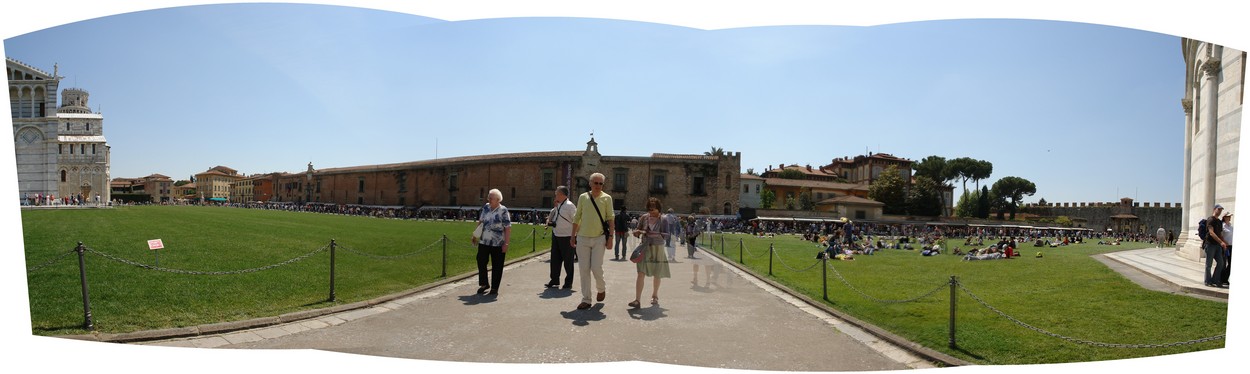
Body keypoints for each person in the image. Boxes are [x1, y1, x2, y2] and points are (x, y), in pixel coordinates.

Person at [571, 173, 614, 310]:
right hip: (582, 237)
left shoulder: (607, 198)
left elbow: (610, 218)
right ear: (590, 183)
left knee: (596, 267)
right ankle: (586, 299)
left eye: (601, 183)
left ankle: (601, 288)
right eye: (595, 183)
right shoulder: (583, 197)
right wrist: (573, 235)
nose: (598, 186)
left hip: (599, 238)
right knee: (583, 269)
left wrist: (611, 237)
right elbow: (577, 217)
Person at [630, 197, 672, 308]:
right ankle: (637, 300)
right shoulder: (644, 217)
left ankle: (655, 295)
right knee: (640, 272)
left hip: (658, 247)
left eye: (653, 209)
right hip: (645, 247)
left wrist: (655, 233)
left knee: (657, 273)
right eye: (649, 209)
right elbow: (637, 229)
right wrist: (637, 232)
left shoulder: (663, 219)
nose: (651, 211)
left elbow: (667, 235)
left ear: (658, 209)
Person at [473, 189, 511, 296]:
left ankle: (494, 287)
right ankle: (484, 283)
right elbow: (481, 222)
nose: (488, 199)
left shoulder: (503, 210)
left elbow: (508, 228)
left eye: (491, 198)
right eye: (488, 197)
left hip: (498, 243)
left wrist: (506, 244)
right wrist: (475, 235)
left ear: (498, 199)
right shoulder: (486, 207)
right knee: (481, 260)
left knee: (497, 265)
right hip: (484, 241)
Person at [544, 186, 575, 290]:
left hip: (567, 236)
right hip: (556, 234)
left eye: (557, 193)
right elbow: (555, 216)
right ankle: (554, 279)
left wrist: (574, 236)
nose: (555, 195)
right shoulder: (558, 205)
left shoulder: (570, 206)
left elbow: (576, 221)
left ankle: (568, 282)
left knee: (568, 261)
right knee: (555, 259)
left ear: (562, 194)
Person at [1204, 204, 1229, 288]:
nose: (1220, 211)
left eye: (1221, 210)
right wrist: (1221, 242)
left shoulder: (1219, 221)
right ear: (1214, 209)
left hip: (1217, 245)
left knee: (1221, 263)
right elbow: (1211, 233)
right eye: (1218, 209)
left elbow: (1220, 234)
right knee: (1209, 264)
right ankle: (1208, 281)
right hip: (1210, 244)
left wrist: (1224, 242)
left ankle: (1215, 280)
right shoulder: (1210, 219)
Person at [1222, 213, 1233, 286]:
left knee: (1230, 263)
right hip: (1225, 246)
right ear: (1225, 217)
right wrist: (1225, 243)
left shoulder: (1231, 227)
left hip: (1231, 246)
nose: (1229, 218)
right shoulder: (1222, 226)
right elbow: (1220, 236)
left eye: (1230, 216)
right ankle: (1221, 279)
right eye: (1228, 216)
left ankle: (1225, 278)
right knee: (1223, 263)